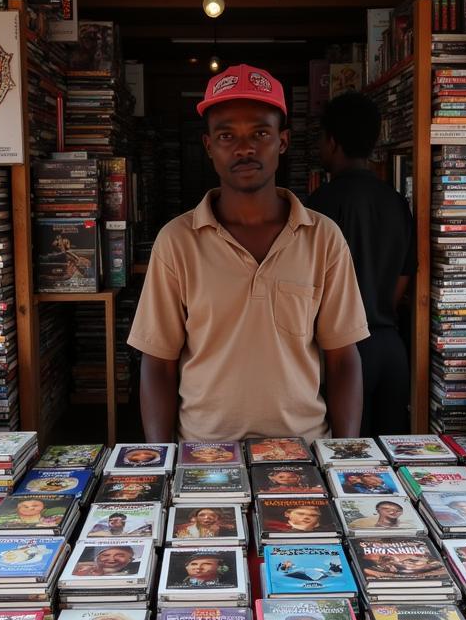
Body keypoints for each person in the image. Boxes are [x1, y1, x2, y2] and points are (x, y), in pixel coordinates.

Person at [128, 64, 368, 443]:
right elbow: (158, 362)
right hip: (204, 455)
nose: (244, 148)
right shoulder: (177, 241)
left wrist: (343, 452)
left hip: (302, 451)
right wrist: (163, 463)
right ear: (208, 146)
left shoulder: (323, 238)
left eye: (260, 132)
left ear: (283, 141)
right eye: (226, 135)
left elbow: (343, 359)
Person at [308, 91, 416, 435]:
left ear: (333, 141)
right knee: (389, 458)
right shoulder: (397, 202)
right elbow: (404, 277)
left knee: (343, 463)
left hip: (341, 354)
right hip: (391, 347)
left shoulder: (317, 206)